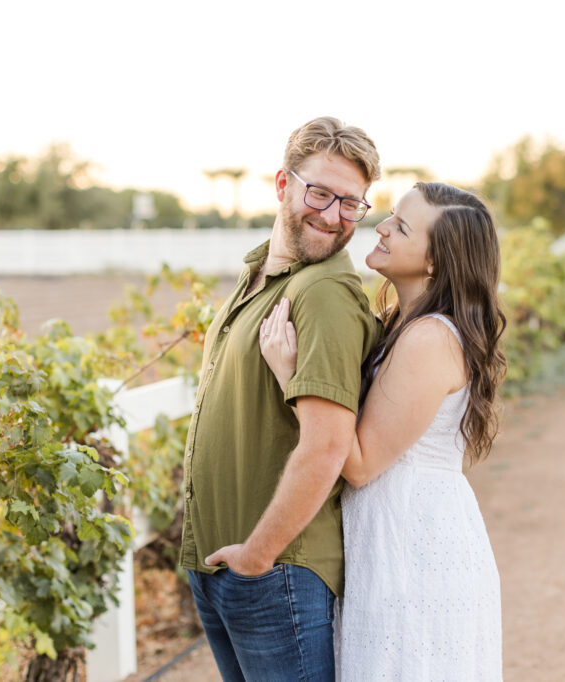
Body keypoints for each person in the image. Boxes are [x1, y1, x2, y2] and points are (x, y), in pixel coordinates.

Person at [260, 182, 507, 680]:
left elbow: (359, 464)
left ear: (435, 262)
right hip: (402, 531)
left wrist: (292, 374)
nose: (382, 227)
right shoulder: (404, 322)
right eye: (391, 215)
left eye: (402, 226)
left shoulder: (429, 339)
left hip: (414, 544)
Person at [179, 116, 382, 681]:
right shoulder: (259, 280)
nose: (333, 215)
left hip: (275, 569)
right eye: (321, 192)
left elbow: (328, 446)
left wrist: (259, 556)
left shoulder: (323, 294)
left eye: (351, 203)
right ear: (283, 184)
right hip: (226, 566)